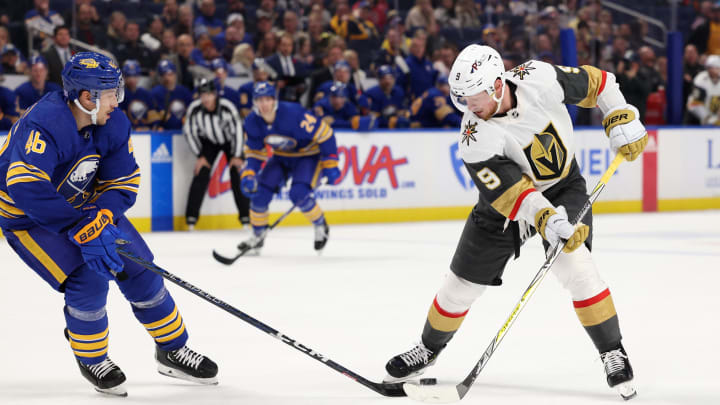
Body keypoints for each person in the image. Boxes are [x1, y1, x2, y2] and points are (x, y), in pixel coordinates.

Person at [383, 45, 648, 401]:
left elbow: (599, 83)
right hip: (504, 208)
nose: (468, 108)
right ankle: (428, 349)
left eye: (473, 98)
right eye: (461, 99)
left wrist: (619, 114)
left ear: (496, 84)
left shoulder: (538, 77)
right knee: (459, 286)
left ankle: (612, 351)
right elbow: (513, 194)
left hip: (563, 188)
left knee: (578, 267)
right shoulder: (473, 138)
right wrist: (546, 220)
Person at [0, 52, 218, 396]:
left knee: (141, 270)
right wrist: (80, 228)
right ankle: (92, 357)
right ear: (86, 97)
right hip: (29, 219)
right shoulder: (45, 122)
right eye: (111, 93)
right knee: (88, 277)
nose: (118, 100)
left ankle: (172, 349)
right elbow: (27, 187)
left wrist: (101, 217)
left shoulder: (113, 122)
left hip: (85, 207)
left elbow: (123, 180)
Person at [239, 81, 340, 254]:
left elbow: (325, 134)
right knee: (259, 194)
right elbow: (255, 153)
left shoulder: (294, 114)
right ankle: (257, 237)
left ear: (274, 100)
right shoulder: (251, 122)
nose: (264, 104)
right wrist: (249, 174)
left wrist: (330, 162)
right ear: (255, 102)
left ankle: (320, 225)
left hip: (308, 156)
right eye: (259, 100)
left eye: (267, 99)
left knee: (298, 194)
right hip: (281, 156)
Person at [184, 78, 249, 229]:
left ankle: (246, 217)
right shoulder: (194, 109)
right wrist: (200, 155)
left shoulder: (227, 107)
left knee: (237, 173)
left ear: (215, 94)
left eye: (209, 94)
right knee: (201, 172)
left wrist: (237, 155)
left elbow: (238, 130)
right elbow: (189, 132)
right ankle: (191, 219)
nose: (205, 98)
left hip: (230, 142)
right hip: (209, 143)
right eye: (202, 95)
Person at [152, 60, 193, 130]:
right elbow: (158, 115)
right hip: (166, 131)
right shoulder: (156, 92)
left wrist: (185, 122)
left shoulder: (184, 91)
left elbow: (192, 109)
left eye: (170, 74)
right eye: (163, 75)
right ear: (160, 77)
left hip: (186, 129)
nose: (167, 78)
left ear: (175, 74)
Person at [119, 60, 159, 129]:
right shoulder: (121, 95)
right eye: (129, 76)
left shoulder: (146, 94)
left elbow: (153, 118)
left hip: (147, 132)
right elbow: (121, 119)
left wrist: (154, 127)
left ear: (139, 76)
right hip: (130, 132)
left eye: (134, 76)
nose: (132, 79)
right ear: (124, 77)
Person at [686, 54, 720, 125]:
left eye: (715, 68)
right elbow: (696, 103)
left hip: (713, 116)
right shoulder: (701, 79)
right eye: (710, 67)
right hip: (696, 117)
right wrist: (709, 119)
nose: (712, 70)